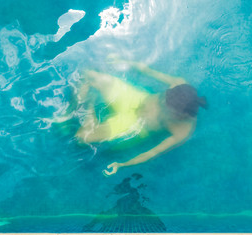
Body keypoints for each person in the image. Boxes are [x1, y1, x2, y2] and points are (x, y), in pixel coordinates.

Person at [75, 60, 207, 176]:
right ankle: (77, 107)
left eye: (166, 106)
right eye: (165, 98)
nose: (161, 102)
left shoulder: (182, 130)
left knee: (82, 138)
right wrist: (124, 61)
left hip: (136, 125)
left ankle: (89, 104)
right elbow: (147, 70)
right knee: (88, 74)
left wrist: (122, 165)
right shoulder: (179, 85)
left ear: (180, 115)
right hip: (135, 99)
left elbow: (152, 153)